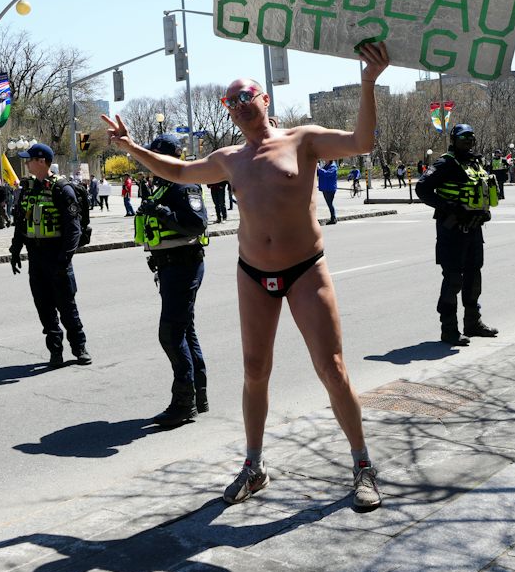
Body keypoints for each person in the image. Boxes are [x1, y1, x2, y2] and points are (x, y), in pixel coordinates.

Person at [104, 40, 391, 512]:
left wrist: (367, 83)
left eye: (245, 97)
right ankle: (253, 466)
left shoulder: (304, 140)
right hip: (253, 272)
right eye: (229, 102)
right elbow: (178, 171)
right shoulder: (228, 158)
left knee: (332, 368)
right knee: (255, 370)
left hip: (305, 270)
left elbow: (362, 142)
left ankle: (362, 465)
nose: (238, 106)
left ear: (265, 100)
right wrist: (129, 146)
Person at [133, 134, 210, 428]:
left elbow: (196, 224)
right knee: (185, 331)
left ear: (170, 157)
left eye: (155, 156)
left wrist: (161, 212)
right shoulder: (163, 185)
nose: (150, 163)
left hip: (184, 266)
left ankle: (183, 404)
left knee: (171, 334)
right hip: (169, 267)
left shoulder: (183, 184)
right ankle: (197, 396)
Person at [416, 122, 502, 348]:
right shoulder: (445, 163)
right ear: (454, 140)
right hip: (451, 231)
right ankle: (449, 330)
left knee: (474, 277)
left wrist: (484, 212)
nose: (467, 142)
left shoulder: (475, 162)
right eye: (463, 138)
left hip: (474, 229)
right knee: (454, 279)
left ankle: (473, 323)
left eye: (470, 138)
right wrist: (449, 207)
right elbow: (422, 189)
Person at [8, 142, 92, 368]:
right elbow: (21, 223)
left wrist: (64, 259)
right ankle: (55, 351)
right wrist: (15, 250)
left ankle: (79, 348)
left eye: (29, 160)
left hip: (57, 257)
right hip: (35, 257)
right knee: (44, 308)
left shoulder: (61, 189)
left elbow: (73, 229)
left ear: (42, 161)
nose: (26, 164)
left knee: (67, 307)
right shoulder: (28, 189)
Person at [316, 158, 340, 225]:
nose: (324, 160)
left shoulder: (333, 166)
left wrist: (319, 169)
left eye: (325, 159)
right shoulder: (326, 166)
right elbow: (319, 173)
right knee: (329, 204)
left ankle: (333, 218)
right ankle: (333, 218)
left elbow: (327, 174)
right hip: (325, 187)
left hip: (330, 188)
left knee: (330, 204)